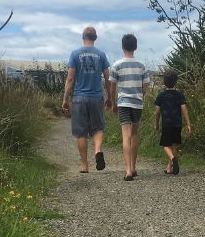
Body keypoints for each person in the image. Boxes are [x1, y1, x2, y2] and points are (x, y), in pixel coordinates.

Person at [62, 26, 111, 173]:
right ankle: (97, 151)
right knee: (98, 128)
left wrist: (65, 98)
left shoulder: (75, 54)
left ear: (83, 37)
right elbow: (108, 78)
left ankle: (84, 165)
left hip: (79, 97)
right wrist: (110, 97)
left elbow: (70, 78)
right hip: (96, 97)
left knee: (81, 132)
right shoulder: (101, 54)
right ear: (95, 38)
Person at [108, 33, 150, 181]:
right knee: (134, 134)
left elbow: (112, 88)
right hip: (137, 104)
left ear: (122, 46)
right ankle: (133, 166)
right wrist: (140, 95)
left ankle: (127, 171)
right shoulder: (142, 65)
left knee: (125, 135)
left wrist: (113, 104)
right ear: (136, 47)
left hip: (123, 103)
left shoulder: (117, 65)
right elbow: (145, 87)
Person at [154, 68, 192, 175]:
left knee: (165, 145)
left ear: (163, 81)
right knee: (174, 145)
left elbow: (157, 112)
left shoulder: (161, 96)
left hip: (166, 124)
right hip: (177, 124)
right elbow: (184, 109)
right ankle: (170, 168)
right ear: (176, 81)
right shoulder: (179, 95)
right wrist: (188, 124)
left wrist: (156, 124)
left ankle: (173, 159)